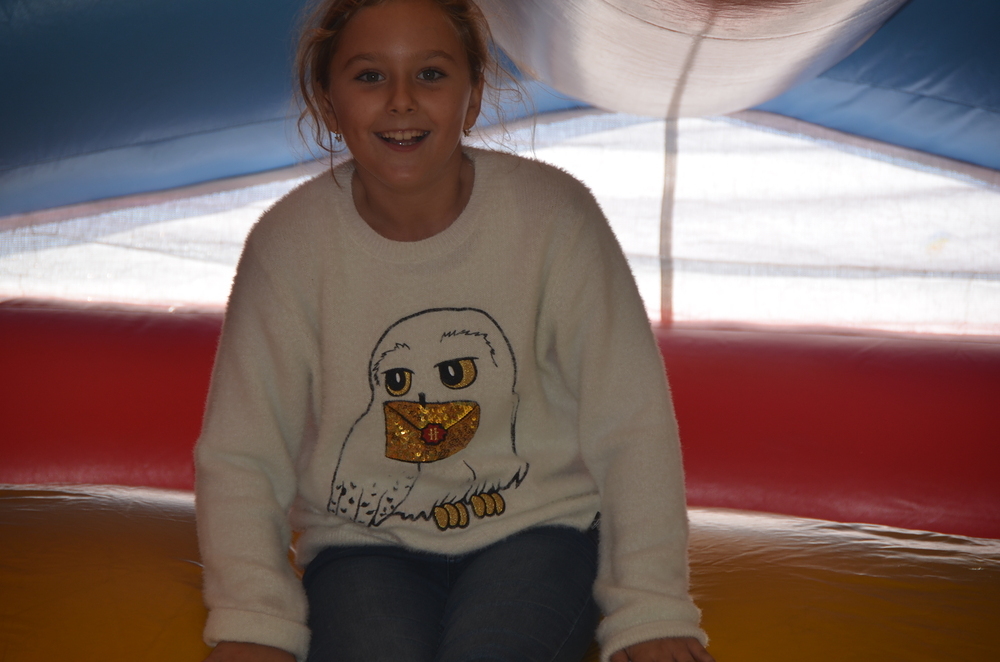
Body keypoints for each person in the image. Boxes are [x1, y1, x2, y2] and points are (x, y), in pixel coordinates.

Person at [194, 0, 716, 661]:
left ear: (472, 97)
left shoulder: (553, 218)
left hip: (538, 531)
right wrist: (252, 620)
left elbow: (631, 421)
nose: (402, 100)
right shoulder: (289, 245)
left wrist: (651, 608)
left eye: (432, 74)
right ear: (327, 102)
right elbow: (244, 452)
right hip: (365, 546)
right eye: (370, 76)